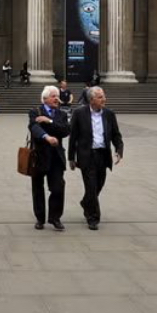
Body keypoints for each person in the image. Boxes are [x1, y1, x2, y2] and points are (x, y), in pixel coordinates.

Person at [67, 87, 124, 230]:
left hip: (103, 155)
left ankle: (86, 202)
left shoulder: (109, 114)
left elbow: (116, 135)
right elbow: (72, 137)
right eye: (100, 97)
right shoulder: (79, 113)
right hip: (87, 155)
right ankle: (93, 217)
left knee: (99, 184)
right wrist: (71, 157)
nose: (104, 99)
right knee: (91, 186)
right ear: (91, 100)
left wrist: (119, 150)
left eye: (104, 96)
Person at [28, 85, 71, 230]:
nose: (57, 99)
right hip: (39, 156)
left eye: (57, 95)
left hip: (56, 157)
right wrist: (46, 137)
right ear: (45, 98)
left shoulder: (62, 114)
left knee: (58, 188)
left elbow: (65, 130)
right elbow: (34, 127)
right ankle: (40, 219)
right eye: (53, 96)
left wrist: (49, 121)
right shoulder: (35, 111)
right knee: (38, 188)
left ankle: (55, 217)